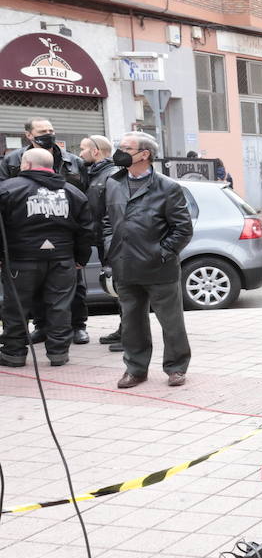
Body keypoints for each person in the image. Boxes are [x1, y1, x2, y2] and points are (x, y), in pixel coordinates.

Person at [94, 132, 193, 388]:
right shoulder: (113, 182)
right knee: (132, 322)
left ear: (144, 154)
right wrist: (110, 246)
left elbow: (183, 229)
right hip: (125, 265)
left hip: (159, 268)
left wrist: (160, 253)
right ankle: (135, 369)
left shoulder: (168, 187)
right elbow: (107, 220)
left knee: (171, 323)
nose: (119, 151)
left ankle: (176, 367)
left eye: (126, 147)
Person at [0, 149, 95, 368]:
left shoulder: (7, 189)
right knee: (60, 306)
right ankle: (58, 353)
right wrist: (80, 258)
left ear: (26, 164)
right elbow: (86, 230)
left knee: (16, 307)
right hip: (62, 260)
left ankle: (13, 353)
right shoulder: (73, 192)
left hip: (20, 260)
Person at [79, 135, 125, 351]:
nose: (80, 154)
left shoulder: (112, 175)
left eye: (83, 149)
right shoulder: (95, 174)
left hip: (114, 243)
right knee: (116, 288)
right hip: (103, 241)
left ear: (95, 151)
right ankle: (124, 328)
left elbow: (113, 214)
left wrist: (109, 244)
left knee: (123, 289)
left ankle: (130, 335)